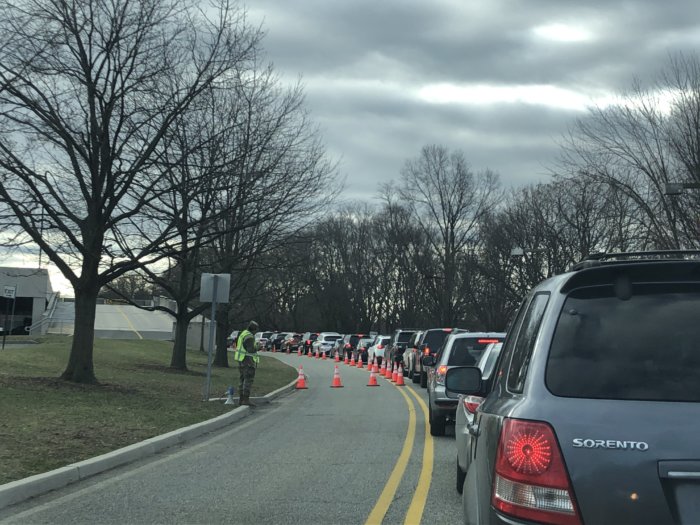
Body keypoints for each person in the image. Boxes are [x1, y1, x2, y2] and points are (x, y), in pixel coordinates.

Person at [233, 321, 260, 406]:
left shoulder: (243, 333)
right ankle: (245, 399)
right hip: (247, 361)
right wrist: (258, 347)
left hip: (241, 360)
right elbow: (251, 349)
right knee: (248, 380)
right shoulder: (249, 337)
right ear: (254, 329)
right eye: (256, 330)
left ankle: (241, 399)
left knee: (242, 379)